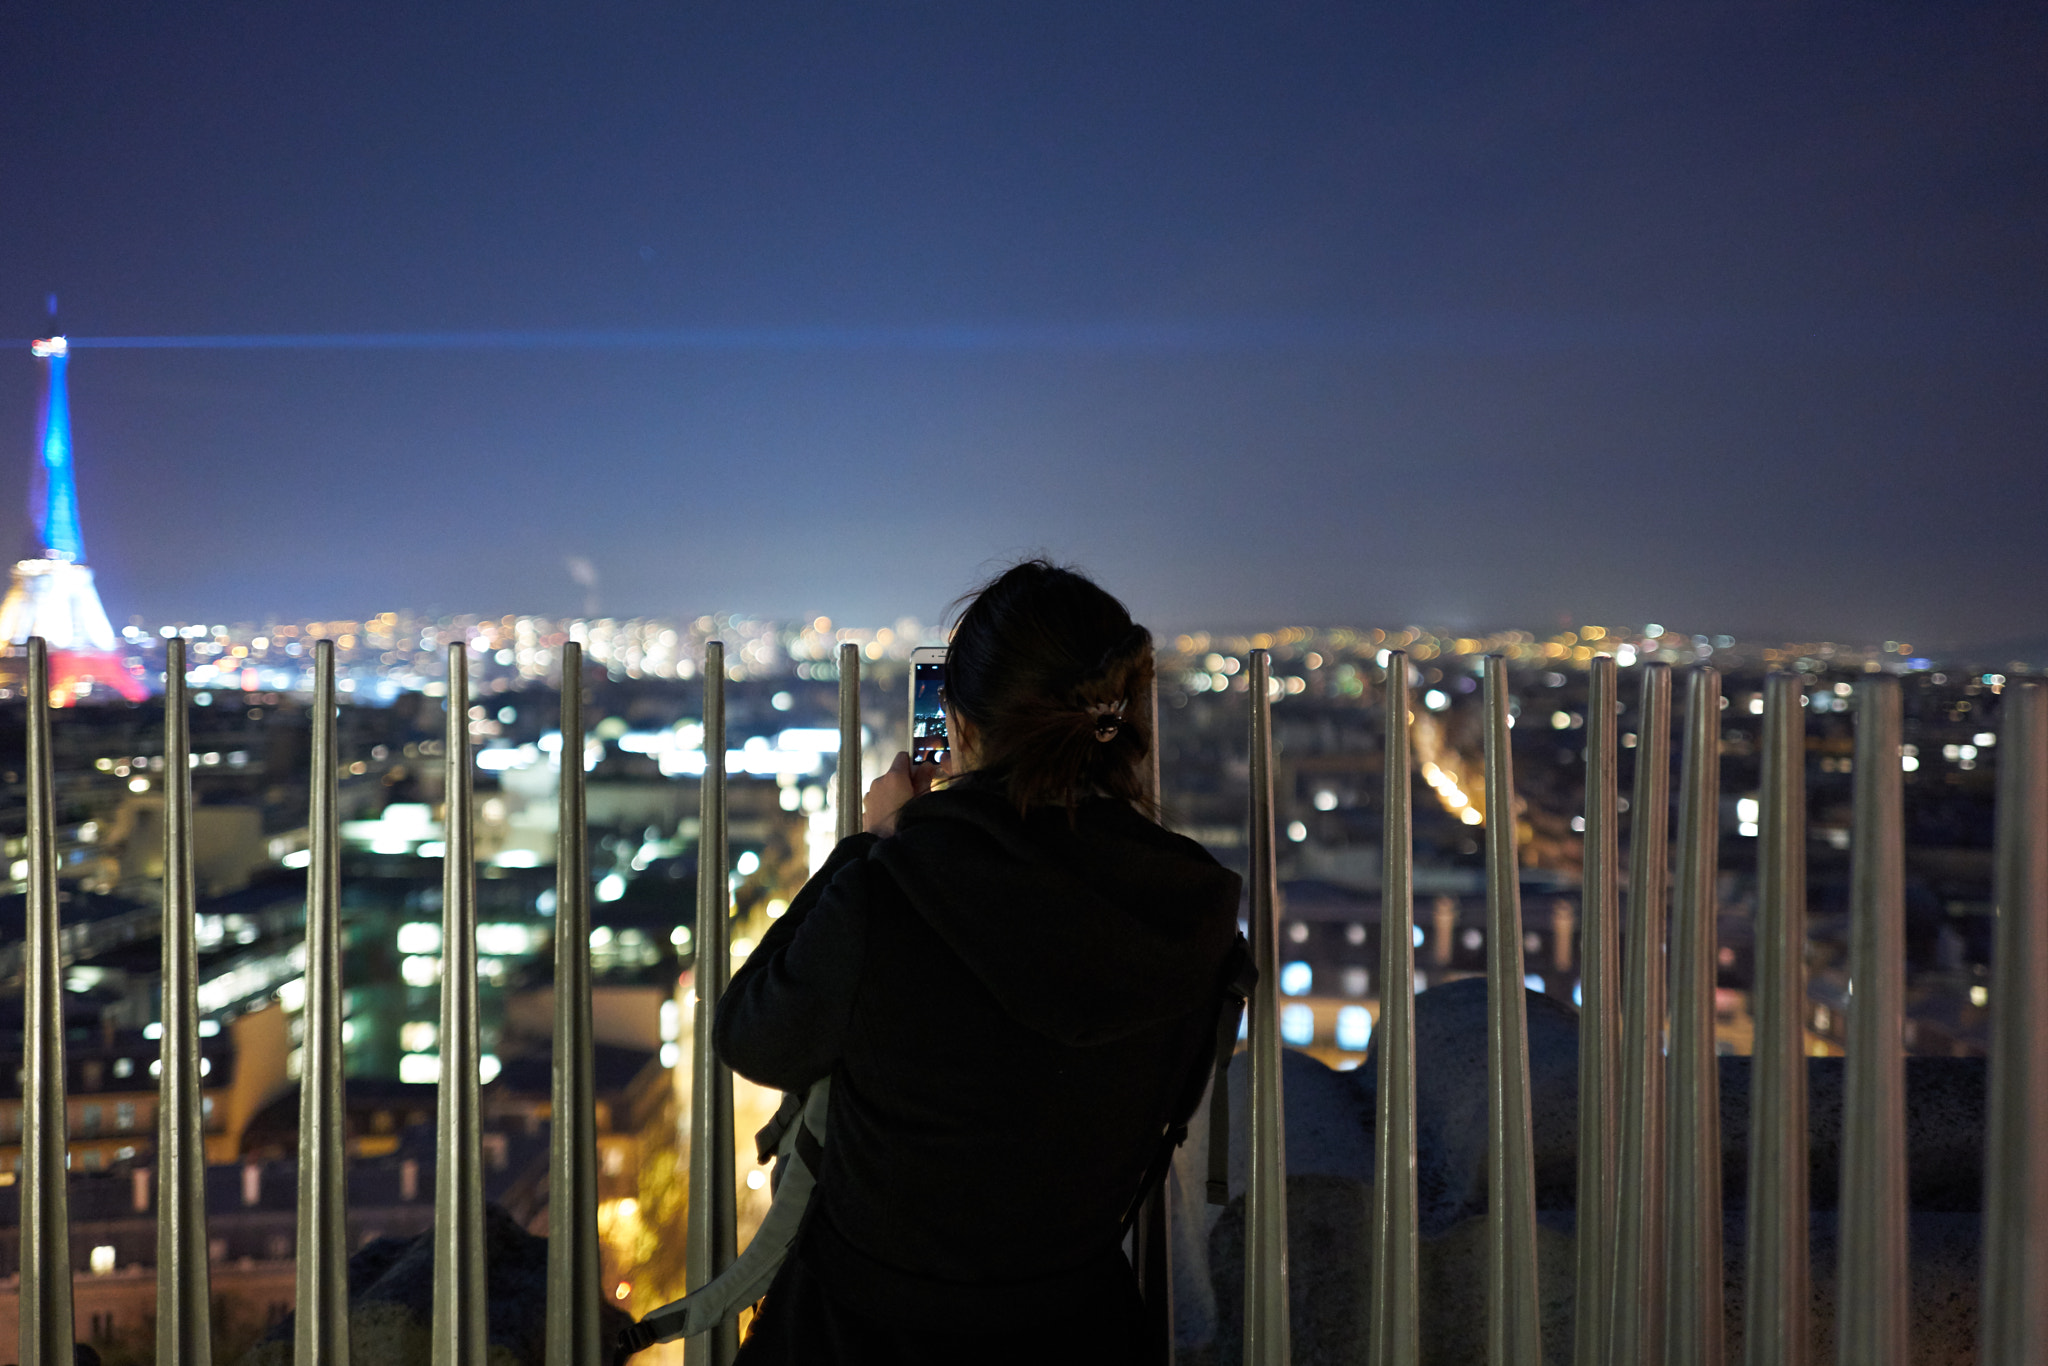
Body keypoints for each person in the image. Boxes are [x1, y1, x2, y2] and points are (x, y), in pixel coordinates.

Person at [714, 560, 1243, 1365]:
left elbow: (752, 1035)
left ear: (961, 728)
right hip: (1076, 1327)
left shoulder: (893, 891)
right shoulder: (1192, 904)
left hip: (863, 1333)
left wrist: (871, 845)